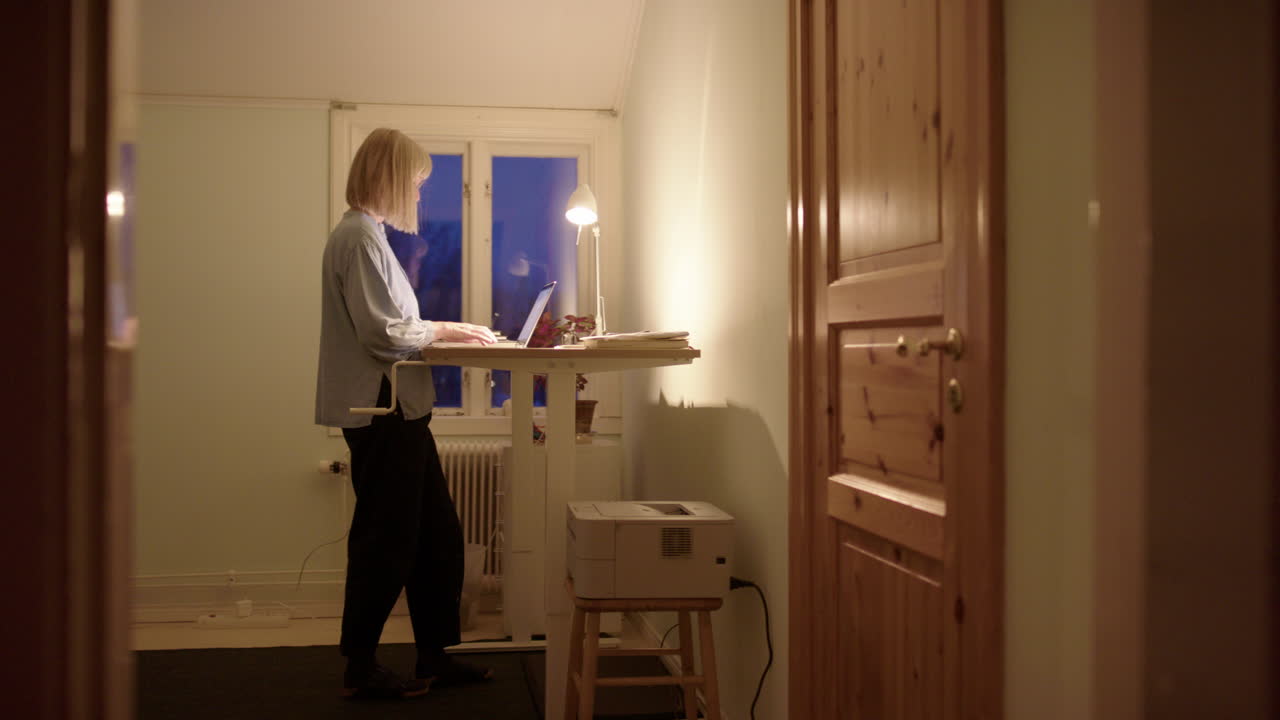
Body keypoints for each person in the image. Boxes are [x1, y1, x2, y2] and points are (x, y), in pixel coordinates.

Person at [315, 127, 497, 700]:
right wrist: (448, 328)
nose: (418, 195)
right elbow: (385, 333)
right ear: (390, 178)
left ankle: (431, 657)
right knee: (386, 539)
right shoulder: (359, 240)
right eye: (415, 183)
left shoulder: (371, 238)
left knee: (436, 535)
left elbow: (393, 325)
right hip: (382, 411)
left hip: (401, 411)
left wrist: (449, 329)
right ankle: (361, 667)